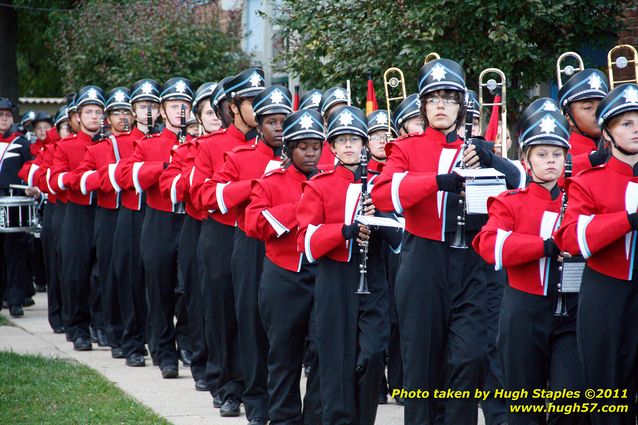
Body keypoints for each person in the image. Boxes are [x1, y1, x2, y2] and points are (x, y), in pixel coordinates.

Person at [371, 58, 492, 425]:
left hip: (470, 263)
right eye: (434, 98)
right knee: (422, 366)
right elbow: (383, 194)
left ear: (461, 105)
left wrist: (495, 165)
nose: (441, 105)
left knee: (469, 358)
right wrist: (437, 180)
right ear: (423, 106)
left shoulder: (477, 148)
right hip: (423, 260)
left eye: (449, 98)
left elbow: (518, 186)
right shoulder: (406, 148)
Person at [473, 105, 587, 425]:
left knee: (573, 401)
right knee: (525, 408)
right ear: (526, 160)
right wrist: (545, 247)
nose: (550, 161)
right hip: (523, 310)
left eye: (556, 154)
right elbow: (490, 246)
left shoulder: (579, 198)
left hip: (572, 310)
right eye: (541, 154)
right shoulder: (510, 201)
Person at [297, 105, 396, 425]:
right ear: (334, 147)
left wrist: (379, 216)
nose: (350, 145)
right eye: (342, 140)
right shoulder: (319, 185)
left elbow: (400, 240)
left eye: (356, 139)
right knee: (336, 362)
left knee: (372, 355)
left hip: (374, 277)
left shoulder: (380, 183)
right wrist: (344, 230)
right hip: (335, 279)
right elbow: (306, 242)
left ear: (366, 144)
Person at [199, 85, 292, 424]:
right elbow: (210, 195)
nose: (279, 127)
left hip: (294, 246)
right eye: (271, 120)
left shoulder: (308, 151)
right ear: (260, 124)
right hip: (251, 244)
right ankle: (256, 402)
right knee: (251, 323)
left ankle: (286, 401)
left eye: (284, 120)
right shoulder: (240, 156)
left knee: (287, 327)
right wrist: (255, 183)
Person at [555, 83, 638, 425]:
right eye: (626, 123)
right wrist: (628, 219)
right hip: (606, 292)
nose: (636, 130)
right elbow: (571, 238)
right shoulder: (589, 181)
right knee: (606, 400)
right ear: (607, 132)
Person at [190, 68, 264, 416]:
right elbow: (202, 195)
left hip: (261, 236)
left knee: (256, 313)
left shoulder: (277, 143)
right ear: (234, 107)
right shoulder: (211, 144)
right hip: (221, 233)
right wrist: (248, 187)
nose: (261, 106)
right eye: (253, 101)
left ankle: (256, 385)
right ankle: (226, 385)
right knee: (222, 312)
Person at [245, 108, 325, 425]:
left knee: (322, 352)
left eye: (316, 147)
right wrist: (303, 207)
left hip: (322, 276)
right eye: (303, 147)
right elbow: (254, 224)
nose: (310, 153)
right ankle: (283, 419)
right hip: (283, 279)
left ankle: (316, 418)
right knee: (284, 357)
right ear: (289, 149)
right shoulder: (270, 182)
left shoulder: (329, 179)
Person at [118, 77, 193, 378]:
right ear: (162, 110)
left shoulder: (196, 142)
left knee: (188, 288)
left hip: (188, 219)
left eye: (184, 106)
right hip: (159, 219)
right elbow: (125, 176)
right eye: (174, 106)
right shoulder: (149, 143)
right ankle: (165, 353)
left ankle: (187, 342)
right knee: (159, 288)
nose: (179, 111)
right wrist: (161, 169)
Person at [73, 86, 133, 358]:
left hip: (133, 213)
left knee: (133, 275)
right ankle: (114, 333)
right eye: (116, 113)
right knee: (109, 274)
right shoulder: (99, 148)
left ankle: (135, 332)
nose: (122, 117)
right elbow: (81, 180)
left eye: (126, 112)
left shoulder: (140, 142)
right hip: (107, 213)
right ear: (108, 118)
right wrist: (108, 176)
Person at [49, 85, 105, 350]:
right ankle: (77, 327)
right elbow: (58, 180)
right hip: (77, 211)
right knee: (75, 272)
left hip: (104, 211)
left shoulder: (110, 144)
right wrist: (84, 179)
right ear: (78, 116)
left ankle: (100, 324)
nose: (94, 117)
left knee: (103, 271)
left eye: (98, 112)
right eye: (89, 112)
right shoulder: (66, 146)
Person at [112, 78, 161, 367]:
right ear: (132, 110)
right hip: (131, 213)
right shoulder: (121, 143)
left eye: (153, 106)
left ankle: (158, 342)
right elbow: (121, 179)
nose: (148, 112)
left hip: (157, 215)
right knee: (130, 278)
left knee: (157, 282)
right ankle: (132, 342)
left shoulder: (166, 139)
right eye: (143, 106)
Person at [0, 97, 33, 317]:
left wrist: (29, 186)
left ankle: (15, 299)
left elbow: (29, 169)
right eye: (0, 115)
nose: (4, 119)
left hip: (12, 203)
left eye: (8, 115)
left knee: (15, 252)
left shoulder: (21, 142)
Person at [557, 68, 610, 174]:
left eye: (602, 106)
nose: (598, 113)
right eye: (588, 107)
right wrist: (591, 160)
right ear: (569, 118)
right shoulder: (558, 148)